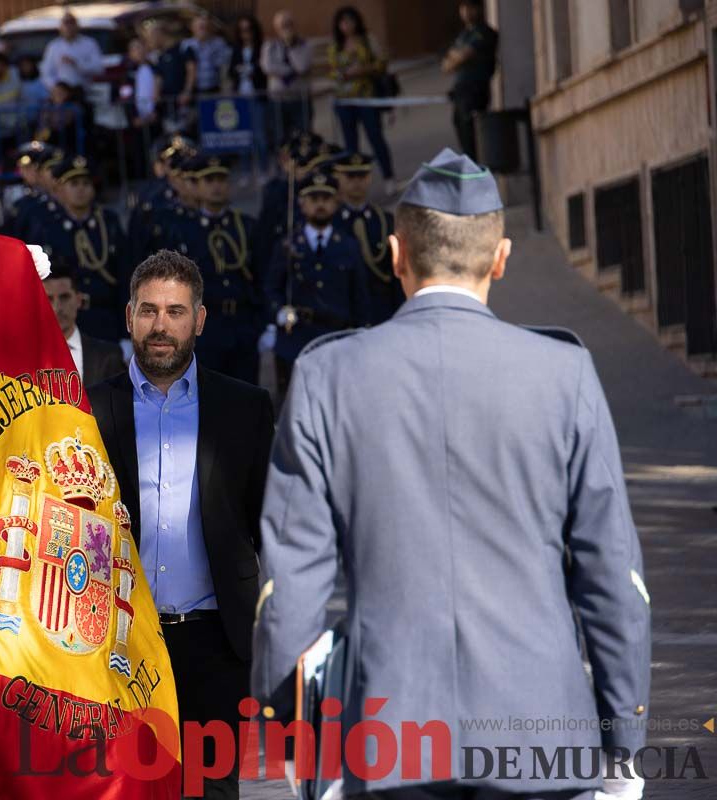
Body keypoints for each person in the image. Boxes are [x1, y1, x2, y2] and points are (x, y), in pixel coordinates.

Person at [252, 149, 651, 799]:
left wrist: (282, 744)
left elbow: (290, 586)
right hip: (541, 735)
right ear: (501, 258)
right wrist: (624, 742)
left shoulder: (328, 376)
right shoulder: (563, 373)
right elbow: (612, 575)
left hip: (387, 737)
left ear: (394, 254)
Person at [89, 249, 273, 800]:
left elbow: (271, 524)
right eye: (148, 311)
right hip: (118, 646)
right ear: (128, 318)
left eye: (174, 311)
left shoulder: (246, 408)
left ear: (199, 319)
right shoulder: (87, 410)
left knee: (212, 791)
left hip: (215, 641)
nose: (160, 326)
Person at [266, 170, 368, 396]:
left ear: (336, 202)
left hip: (337, 337)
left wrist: (362, 332)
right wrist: (279, 312)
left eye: (326, 199)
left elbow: (360, 294)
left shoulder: (348, 246)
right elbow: (272, 287)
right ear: (302, 203)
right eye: (313, 199)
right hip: (297, 339)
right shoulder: (288, 245)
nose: (320, 204)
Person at [170, 152, 260, 384]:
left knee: (246, 400)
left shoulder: (246, 226)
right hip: (205, 328)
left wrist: (261, 322)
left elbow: (259, 275)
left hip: (243, 324)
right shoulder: (183, 230)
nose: (216, 187)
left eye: (221, 180)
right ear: (197, 186)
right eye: (209, 181)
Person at [28, 154, 130, 343]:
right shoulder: (47, 226)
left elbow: (126, 277)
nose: (81, 190)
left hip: (106, 319)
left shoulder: (108, 223)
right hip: (65, 321)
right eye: (73, 184)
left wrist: (126, 334)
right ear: (60, 189)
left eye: (86, 183)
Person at [328, 6, 395, 195]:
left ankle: (388, 176)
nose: (347, 25)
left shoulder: (367, 41)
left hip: (366, 98)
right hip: (345, 101)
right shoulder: (335, 46)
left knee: (375, 137)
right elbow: (332, 70)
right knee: (351, 145)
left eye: (350, 21)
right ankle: (354, 184)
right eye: (343, 22)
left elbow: (382, 62)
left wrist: (363, 70)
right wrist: (343, 74)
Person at [334, 150, 404, 324]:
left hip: (381, 310)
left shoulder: (383, 220)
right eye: (350, 177)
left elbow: (397, 272)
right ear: (338, 178)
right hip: (344, 311)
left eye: (362, 176)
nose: (357, 182)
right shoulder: (332, 223)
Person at [44, 266, 124, 384]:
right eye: (49, 299)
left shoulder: (108, 357)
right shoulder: (20, 357)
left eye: (64, 297)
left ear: (79, 300)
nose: (57, 308)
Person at [443, 0, 498, 160]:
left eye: (470, 7)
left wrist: (458, 57)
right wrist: (457, 58)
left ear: (478, 9)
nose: (466, 12)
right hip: (461, 92)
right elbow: (446, 65)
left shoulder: (484, 32)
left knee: (475, 140)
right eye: (463, 8)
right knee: (463, 136)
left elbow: (463, 55)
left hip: (475, 91)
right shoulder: (464, 35)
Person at [261, 11, 313, 147]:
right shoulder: (270, 46)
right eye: (282, 25)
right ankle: (282, 168)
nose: (286, 28)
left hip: (300, 99)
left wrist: (290, 46)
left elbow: (301, 66)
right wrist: (290, 71)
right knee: (280, 139)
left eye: (288, 24)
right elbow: (268, 67)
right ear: (276, 28)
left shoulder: (304, 44)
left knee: (304, 138)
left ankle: (303, 167)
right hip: (278, 100)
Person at [39, 13, 103, 96]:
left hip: (83, 92)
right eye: (66, 23)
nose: (69, 27)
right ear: (60, 27)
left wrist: (77, 63)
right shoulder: (54, 47)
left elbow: (98, 68)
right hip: (61, 96)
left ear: (77, 26)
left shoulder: (89, 44)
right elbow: (46, 73)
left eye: (71, 23)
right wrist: (57, 88)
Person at [182, 14, 231, 96]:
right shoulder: (186, 45)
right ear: (193, 28)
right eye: (201, 27)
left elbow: (224, 66)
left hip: (215, 88)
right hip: (194, 90)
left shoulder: (219, 43)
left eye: (206, 27)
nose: (204, 30)